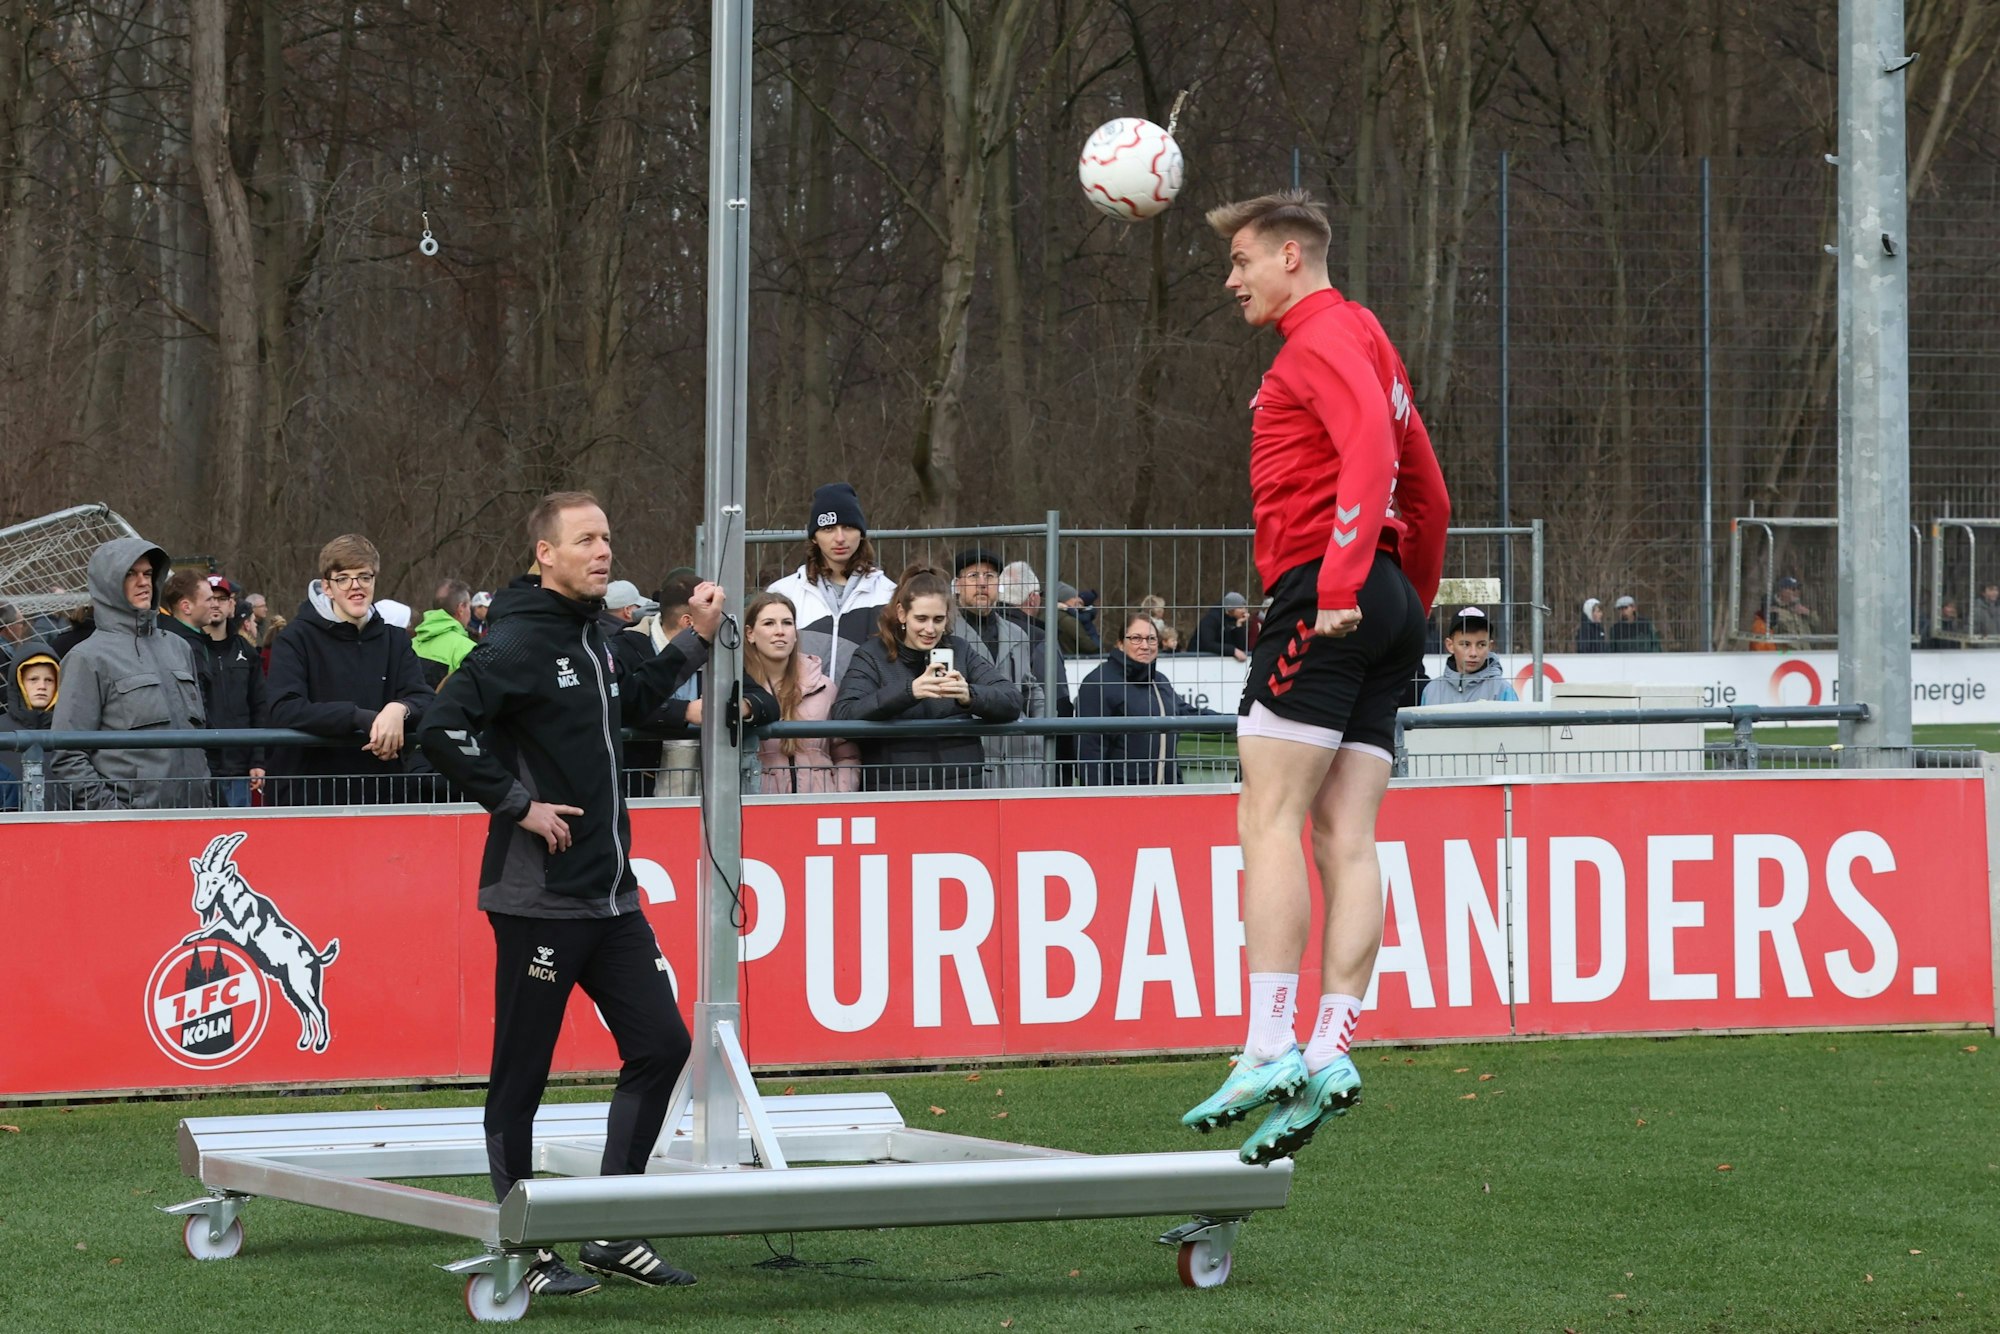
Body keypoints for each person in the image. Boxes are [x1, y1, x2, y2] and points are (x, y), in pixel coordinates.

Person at [1181, 190, 1448, 1167]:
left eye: (1242, 259)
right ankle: (1333, 1047)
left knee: (1266, 815)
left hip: (1319, 590)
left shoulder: (1317, 339)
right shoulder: (1367, 337)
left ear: (1290, 254)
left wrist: (1338, 583)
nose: (1231, 277)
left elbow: (1374, 457)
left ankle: (1265, 1043)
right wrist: (1398, 605)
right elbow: (1428, 488)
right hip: (1377, 601)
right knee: (1347, 832)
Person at [418, 491, 722, 1299]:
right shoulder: (515, 641)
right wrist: (517, 806)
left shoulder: (599, 637)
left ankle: (614, 1229)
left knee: (661, 1044)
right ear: (544, 554)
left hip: (613, 898)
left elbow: (638, 697)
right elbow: (441, 728)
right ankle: (525, 1243)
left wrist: (694, 638)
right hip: (538, 901)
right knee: (522, 1075)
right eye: (585, 540)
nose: (603, 551)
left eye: (608, 539)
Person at [265, 534, 435, 805]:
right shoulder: (295, 638)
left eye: (364, 577)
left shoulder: (395, 640)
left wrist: (399, 709)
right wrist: (356, 718)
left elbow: (425, 699)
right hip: (310, 797)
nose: (356, 587)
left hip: (382, 796)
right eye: (343, 578)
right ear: (327, 587)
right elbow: (284, 707)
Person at [47, 537, 213, 810]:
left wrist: (208, 798)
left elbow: (201, 737)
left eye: (148, 574)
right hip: (130, 828)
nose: (143, 582)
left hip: (196, 818)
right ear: (108, 583)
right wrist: (114, 815)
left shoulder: (179, 647)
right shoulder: (87, 657)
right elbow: (68, 754)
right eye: (131, 574)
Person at [832, 564, 1022, 791]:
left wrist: (969, 695)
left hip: (961, 789)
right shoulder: (872, 655)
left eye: (938, 619)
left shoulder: (959, 650)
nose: (930, 629)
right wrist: (909, 692)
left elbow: (1011, 699)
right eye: (921, 619)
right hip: (895, 791)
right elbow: (844, 715)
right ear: (902, 614)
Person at [767, 482, 894, 686]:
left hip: (866, 712)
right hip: (799, 711)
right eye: (828, 528)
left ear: (861, 533)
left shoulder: (889, 594)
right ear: (814, 537)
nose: (840, 538)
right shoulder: (782, 593)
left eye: (848, 527)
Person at [158, 570, 269, 807]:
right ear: (187, 606)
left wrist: (257, 757)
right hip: (197, 767)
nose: (214, 605)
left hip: (237, 767)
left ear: (231, 604)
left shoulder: (245, 651)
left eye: (219, 599)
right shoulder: (174, 644)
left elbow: (260, 704)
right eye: (209, 599)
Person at [1075, 612, 1223, 785]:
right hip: (1122, 796)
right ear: (1120, 644)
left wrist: (1234, 720)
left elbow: (1184, 711)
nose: (1145, 646)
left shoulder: (1159, 680)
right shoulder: (1098, 682)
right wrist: (1098, 800)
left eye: (1151, 639)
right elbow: (1089, 749)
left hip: (1168, 791)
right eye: (1136, 638)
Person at [743, 591, 859, 794]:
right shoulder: (739, 689)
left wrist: (839, 796)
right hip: (759, 810)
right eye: (769, 623)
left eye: (787, 623)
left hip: (820, 810)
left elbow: (846, 755)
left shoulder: (824, 687)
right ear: (750, 634)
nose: (780, 631)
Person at [953, 546, 1049, 787]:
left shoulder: (1017, 633)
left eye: (990, 576)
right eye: (973, 576)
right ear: (957, 585)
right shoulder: (945, 633)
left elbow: (1029, 687)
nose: (982, 584)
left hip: (1020, 758)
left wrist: (1040, 725)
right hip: (970, 755)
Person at [0, 639, 61, 809]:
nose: (41, 686)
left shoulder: (71, 728)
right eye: (33, 679)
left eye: (49, 680)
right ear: (18, 682)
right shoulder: (1, 730)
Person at [1420, 608, 1519, 705]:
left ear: (1489, 646)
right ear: (1450, 645)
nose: (1473, 653)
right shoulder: (1431, 690)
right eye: (1465, 644)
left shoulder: (1502, 690)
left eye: (1481, 645)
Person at [412, 579, 481, 687]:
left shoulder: (411, 643)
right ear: (461, 608)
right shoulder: (467, 649)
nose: (470, 612)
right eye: (469, 606)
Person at [1192, 592, 1252, 661]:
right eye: (1240, 607)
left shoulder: (1233, 620)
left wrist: (1239, 626)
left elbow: (1241, 648)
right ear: (1230, 608)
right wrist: (1233, 651)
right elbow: (1207, 644)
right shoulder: (1211, 619)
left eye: (1245, 607)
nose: (1244, 611)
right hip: (1199, 660)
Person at [1765, 576, 1815, 647]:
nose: (1797, 592)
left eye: (1798, 589)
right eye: (1793, 589)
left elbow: (1818, 626)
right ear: (1782, 591)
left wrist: (1808, 613)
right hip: (1787, 654)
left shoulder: (1802, 609)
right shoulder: (1774, 611)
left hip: (1806, 654)